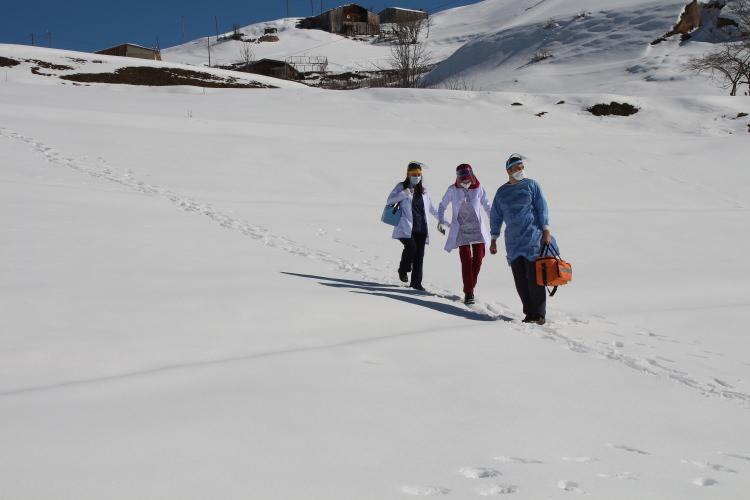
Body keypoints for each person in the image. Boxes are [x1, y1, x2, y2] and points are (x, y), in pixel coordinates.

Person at [489, 154, 558, 325]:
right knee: (520, 280)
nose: (521, 170)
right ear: (508, 171)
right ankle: (529, 313)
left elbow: (542, 208)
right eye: (517, 168)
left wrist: (546, 230)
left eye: (522, 167)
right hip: (513, 242)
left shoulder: (531, 185)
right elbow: (495, 216)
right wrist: (493, 238)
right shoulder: (502, 192)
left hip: (533, 238)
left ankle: (539, 314)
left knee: (535, 279)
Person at [438, 164, 492, 305]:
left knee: (479, 258)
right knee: (466, 261)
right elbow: (442, 205)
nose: (465, 183)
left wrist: (495, 221)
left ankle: (469, 286)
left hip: (476, 229)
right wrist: (441, 220)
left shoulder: (478, 188)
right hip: (461, 230)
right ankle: (469, 292)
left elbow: (487, 205)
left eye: (467, 180)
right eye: (462, 181)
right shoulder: (452, 190)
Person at [386, 161, 441, 291]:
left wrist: (442, 219)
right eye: (413, 174)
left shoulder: (424, 191)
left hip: (421, 228)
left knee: (419, 256)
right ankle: (403, 269)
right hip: (406, 227)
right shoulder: (401, 186)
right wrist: (404, 193)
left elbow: (432, 208)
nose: (416, 176)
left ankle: (416, 283)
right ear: (408, 174)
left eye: (418, 174)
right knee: (411, 248)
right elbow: (390, 200)